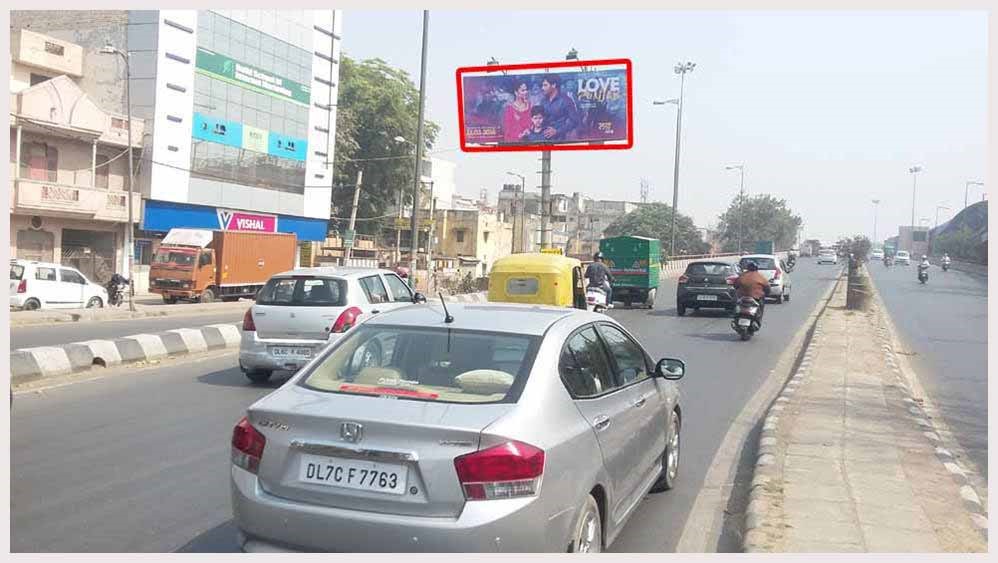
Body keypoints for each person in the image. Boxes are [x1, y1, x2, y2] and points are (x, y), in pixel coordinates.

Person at [540, 74, 581, 141]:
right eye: (542, 85)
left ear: (553, 85)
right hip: (544, 138)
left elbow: (575, 121)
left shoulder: (566, 100)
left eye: (545, 85)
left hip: (560, 139)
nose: (542, 88)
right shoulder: (543, 101)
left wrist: (557, 131)